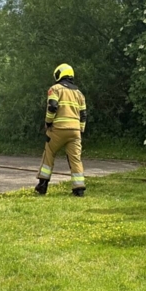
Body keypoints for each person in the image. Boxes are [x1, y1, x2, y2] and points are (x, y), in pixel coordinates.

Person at [35, 64, 88, 197]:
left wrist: (48, 122)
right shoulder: (79, 94)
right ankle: (79, 188)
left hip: (58, 130)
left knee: (49, 153)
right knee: (75, 159)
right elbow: (83, 115)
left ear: (59, 74)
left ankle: (43, 185)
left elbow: (52, 107)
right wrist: (80, 130)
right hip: (75, 131)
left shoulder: (55, 89)